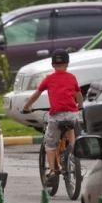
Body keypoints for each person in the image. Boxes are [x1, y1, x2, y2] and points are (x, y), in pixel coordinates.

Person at [19, 49, 83, 184]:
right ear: (67, 64)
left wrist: (26, 107)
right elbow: (78, 95)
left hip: (56, 116)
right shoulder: (72, 77)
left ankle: (53, 171)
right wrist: (80, 106)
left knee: (50, 144)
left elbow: (36, 94)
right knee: (71, 130)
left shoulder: (48, 79)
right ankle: (73, 155)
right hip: (71, 114)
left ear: (53, 64)